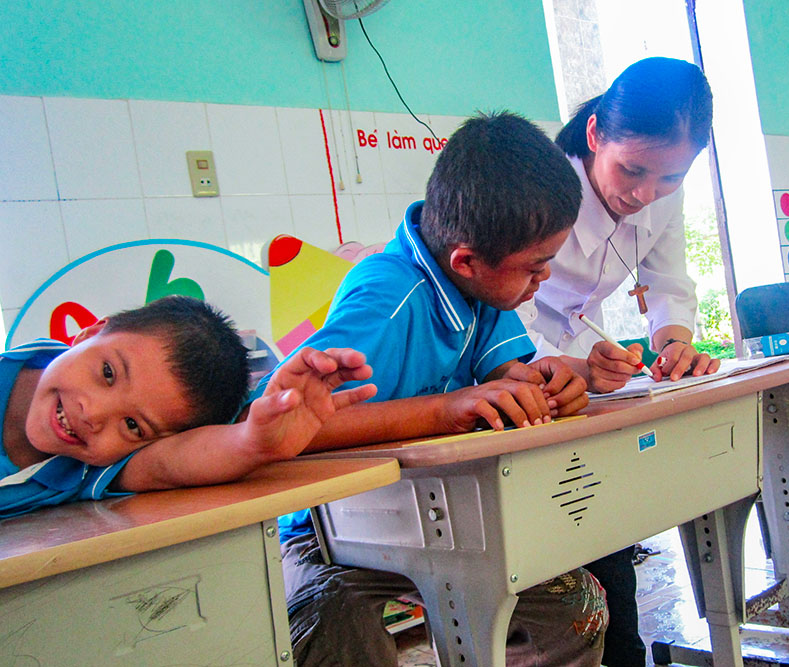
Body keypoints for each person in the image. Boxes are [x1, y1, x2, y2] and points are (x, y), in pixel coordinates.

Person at [252, 111, 609, 667]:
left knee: (575, 607)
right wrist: (446, 409)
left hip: (432, 514)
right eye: (535, 269)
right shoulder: (385, 298)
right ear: (467, 260)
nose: (542, 282)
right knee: (331, 622)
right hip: (329, 532)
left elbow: (503, 375)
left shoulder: (479, 289)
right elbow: (298, 425)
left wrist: (551, 384)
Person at [516, 57, 722, 666]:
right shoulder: (540, 187)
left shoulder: (658, 187)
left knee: (604, 516)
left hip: (580, 345)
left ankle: (622, 649)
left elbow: (668, 280)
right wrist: (569, 368)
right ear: (594, 136)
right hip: (516, 351)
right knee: (570, 524)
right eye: (631, 170)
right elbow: (503, 306)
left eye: (669, 179)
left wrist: (674, 342)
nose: (644, 194)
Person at [1, 295, 375, 517]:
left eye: (134, 426)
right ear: (91, 332)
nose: (93, 415)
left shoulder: (85, 468)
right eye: (108, 372)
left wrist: (253, 441)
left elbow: (171, 462)